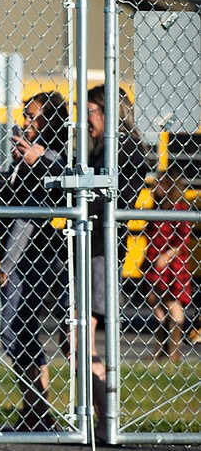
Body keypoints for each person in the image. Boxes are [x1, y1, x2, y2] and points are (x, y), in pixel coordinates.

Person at [0, 91, 69, 432]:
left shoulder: (52, 157)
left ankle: (40, 408)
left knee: (21, 331)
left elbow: (28, 219)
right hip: (12, 256)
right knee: (15, 333)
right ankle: (34, 408)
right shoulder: (19, 157)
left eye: (33, 116)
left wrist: (7, 263)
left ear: (49, 121)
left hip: (34, 257)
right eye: (26, 115)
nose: (26, 122)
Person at [85, 85, 150, 431]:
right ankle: (101, 416)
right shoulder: (103, 148)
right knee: (79, 337)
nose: (86, 119)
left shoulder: (122, 148)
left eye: (92, 111)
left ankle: (106, 416)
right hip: (91, 244)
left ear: (109, 113)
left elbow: (110, 196)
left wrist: (81, 195)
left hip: (101, 248)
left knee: (81, 335)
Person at [142, 168, 191, 364]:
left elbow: (184, 236)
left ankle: (174, 353)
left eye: (159, 184)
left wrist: (167, 255)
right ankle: (160, 349)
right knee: (155, 301)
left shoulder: (178, 208)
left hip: (173, 265)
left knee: (173, 304)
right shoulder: (158, 207)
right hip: (155, 262)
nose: (155, 187)